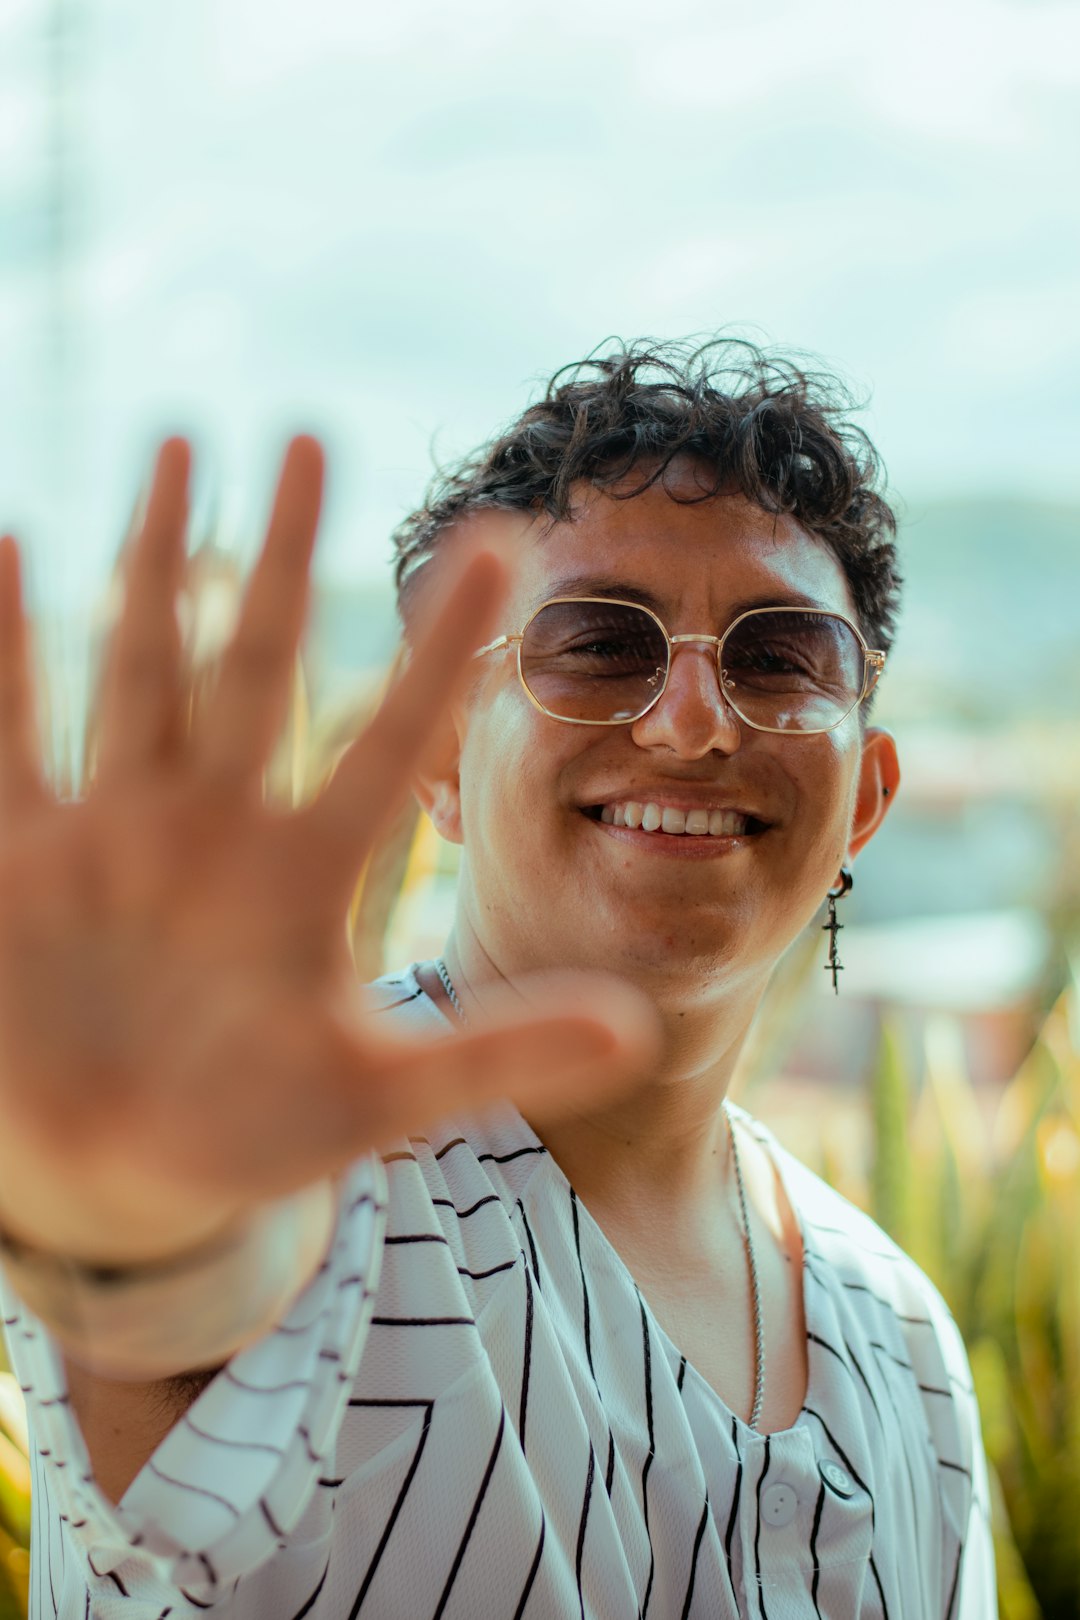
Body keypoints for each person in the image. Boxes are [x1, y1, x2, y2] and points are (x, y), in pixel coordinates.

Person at [0, 339, 995, 1617]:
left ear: (866, 798)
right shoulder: (309, 1171)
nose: (693, 720)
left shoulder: (900, 1337)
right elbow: (187, 1319)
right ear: (437, 765)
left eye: (778, 656)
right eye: (598, 644)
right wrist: (139, 1226)